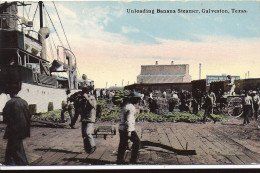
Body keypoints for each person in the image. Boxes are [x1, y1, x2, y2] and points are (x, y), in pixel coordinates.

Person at [3, 82, 31, 165]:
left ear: (10, 93)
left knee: (15, 148)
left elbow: (6, 118)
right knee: (15, 146)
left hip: (14, 129)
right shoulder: (24, 102)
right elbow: (28, 115)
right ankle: (9, 162)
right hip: (24, 129)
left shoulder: (10, 103)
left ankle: (22, 165)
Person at [117, 94, 141, 164]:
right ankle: (133, 160)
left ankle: (120, 160)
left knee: (122, 145)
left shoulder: (124, 105)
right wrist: (129, 131)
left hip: (121, 128)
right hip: (128, 128)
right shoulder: (131, 107)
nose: (138, 101)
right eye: (137, 99)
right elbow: (129, 120)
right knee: (137, 143)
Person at [79, 86, 97, 154]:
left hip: (90, 118)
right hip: (84, 118)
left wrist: (87, 98)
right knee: (84, 135)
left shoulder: (92, 98)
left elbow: (92, 105)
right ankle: (87, 148)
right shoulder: (82, 99)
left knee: (88, 133)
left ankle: (93, 146)